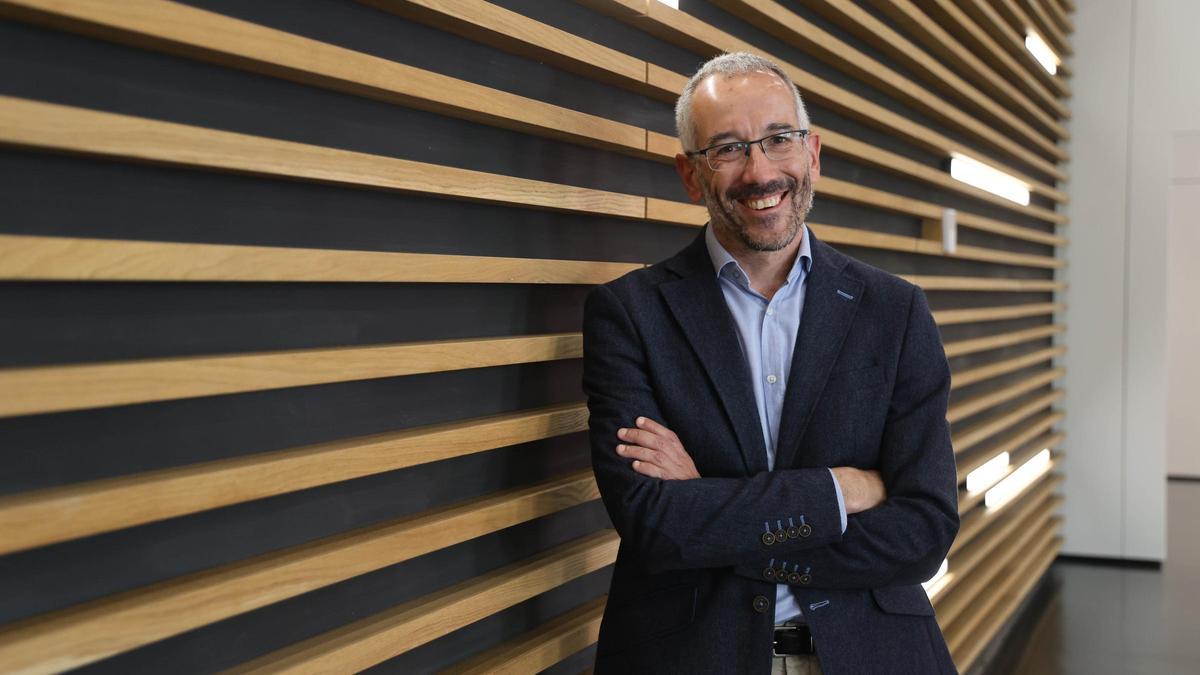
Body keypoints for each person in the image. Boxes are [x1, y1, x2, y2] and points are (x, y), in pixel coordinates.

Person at [582, 52, 960, 674]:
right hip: (693, 656)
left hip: (872, 654)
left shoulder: (894, 312)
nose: (759, 172)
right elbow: (656, 525)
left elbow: (923, 532)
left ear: (812, 154)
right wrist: (842, 490)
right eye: (727, 148)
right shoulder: (629, 314)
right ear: (690, 174)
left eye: (778, 139)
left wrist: (712, 506)